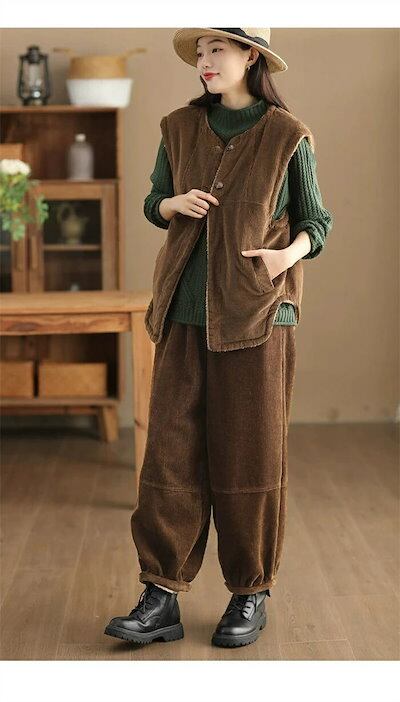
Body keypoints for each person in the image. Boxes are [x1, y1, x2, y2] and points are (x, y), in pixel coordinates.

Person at [104, 27, 333, 649]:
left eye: (218, 50)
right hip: (182, 312)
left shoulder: (288, 136)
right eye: (201, 53)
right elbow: (154, 201)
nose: (205, 62)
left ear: (251, 56)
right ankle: (161, 595)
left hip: (258, 314)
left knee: (250, 454)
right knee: (169, 454)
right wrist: (171, 203)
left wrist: (285, 257)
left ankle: (249, 591)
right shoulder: (178, 127)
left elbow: (316, 222)